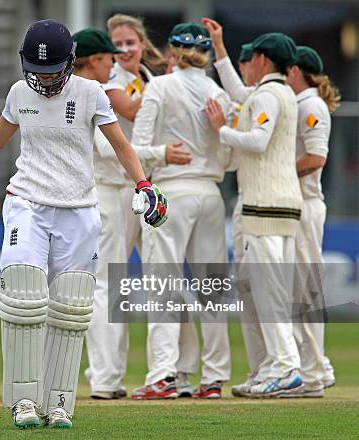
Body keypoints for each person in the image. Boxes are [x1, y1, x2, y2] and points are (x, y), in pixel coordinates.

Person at [0, 19, 167, 429]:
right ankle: (24, 401)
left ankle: (59, 403)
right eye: (37, 70)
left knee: (72, 306)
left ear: (70, 63)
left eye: (52, 70)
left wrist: (145, 184)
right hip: (27, 202)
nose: (44, 78)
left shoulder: (91, 92)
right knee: (25, 297)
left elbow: (120, 144)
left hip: (80, 208)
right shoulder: (18, 92)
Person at [71, 20, 193, 401]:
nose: (121, 53)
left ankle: (176, 370)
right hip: (110, 190)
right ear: (98, 58)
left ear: (143, 43)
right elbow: (111, 148)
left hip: (144, 187)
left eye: (129, 42)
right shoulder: (100, 88)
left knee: (167, 277)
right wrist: (160, 151)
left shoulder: (146, 77)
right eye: (114, 48)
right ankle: (106, 379)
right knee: (108, 284)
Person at [131, 22, 232, 400]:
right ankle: (215, 378)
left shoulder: (158, 86)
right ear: (205, 53)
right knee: (213, 289)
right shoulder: (218, 93)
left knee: (162, 284)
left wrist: (161, 154)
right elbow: (230, 158)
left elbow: (137, 148)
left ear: (171, 52)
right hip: (210, 192)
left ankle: (163, 375)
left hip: (172, 192)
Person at [205, 31, 304, 397]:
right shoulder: (275, 94)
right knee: (258, 290)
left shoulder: (268, 95)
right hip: (276, 204)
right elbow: (238, 93)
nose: (247, 66)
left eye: (251, 60)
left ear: (262, 59)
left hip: (267, 205)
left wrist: (222, 131)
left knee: (268, 291)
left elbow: (258, 141)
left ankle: (287, 367)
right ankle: (269, 366)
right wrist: (219, 48)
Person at [284, 45, 339, 396]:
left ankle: (316, 371)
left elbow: (317, 157)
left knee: (305, 292)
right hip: (297, 204)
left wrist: (280, 176)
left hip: (305, 204)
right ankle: (316, 368)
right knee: (297, 291)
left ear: (295, 72)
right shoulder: (301, 104)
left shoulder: (311, 105)